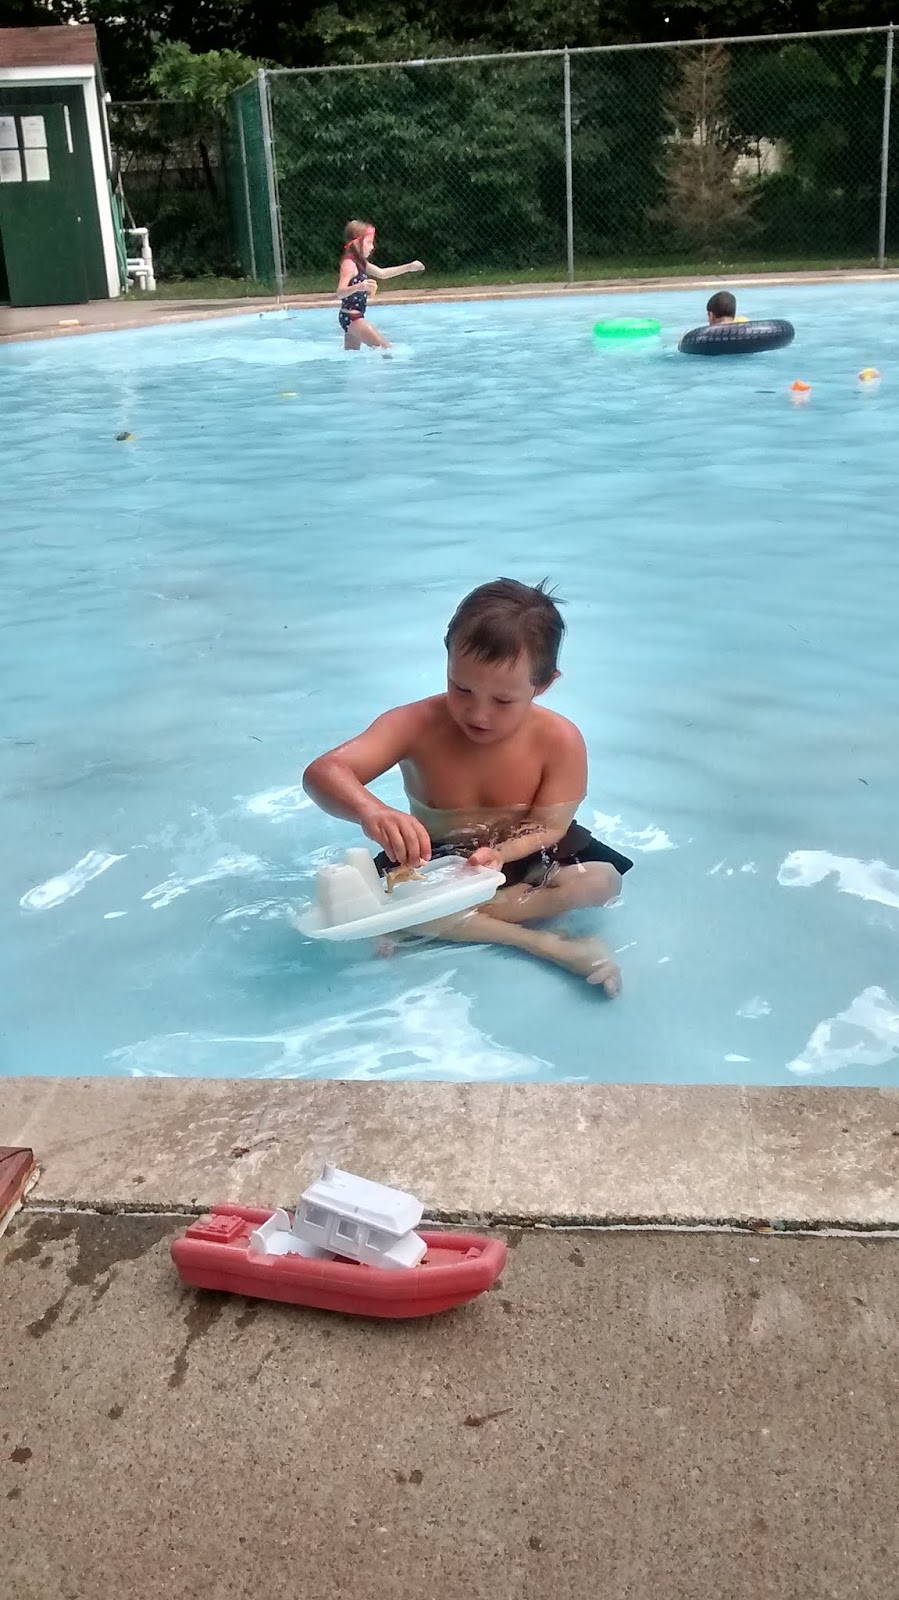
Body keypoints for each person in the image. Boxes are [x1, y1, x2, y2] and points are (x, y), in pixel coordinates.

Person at [303, 579, 633, 994]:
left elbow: (549, 827)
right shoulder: (414, 726)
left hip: (527, 853)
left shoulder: (559, 741)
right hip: (437, 861)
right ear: (447, 658)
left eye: (503, 701)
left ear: (544, 684)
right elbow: (323, 772)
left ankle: (436, 921)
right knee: (373, 905)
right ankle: (547, 943)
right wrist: (374, 811)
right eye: (461, 688)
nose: (478, 713)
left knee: (601, 882)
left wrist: (499, 853)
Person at [337, 220, 424, 351]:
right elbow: (340, 292)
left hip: (351, 317)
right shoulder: (349, 264)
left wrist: (409, 267)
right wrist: (360, 287)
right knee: (388, 350)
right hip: (353, 318)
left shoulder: (360, 262)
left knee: (351, 356)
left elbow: (382, 273)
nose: (372, 247)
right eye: (369, 242)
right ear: (356, 242)